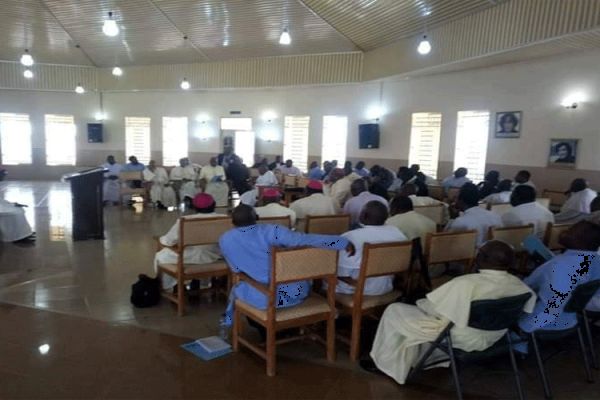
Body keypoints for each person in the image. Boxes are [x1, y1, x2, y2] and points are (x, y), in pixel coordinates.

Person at [367, 241, 536, 385]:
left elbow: (436, 309)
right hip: (495, 337)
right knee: (429, 317)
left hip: (459, 337)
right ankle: (425, 360)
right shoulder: (520, 286)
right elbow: (527, 309)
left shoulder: (465, 283)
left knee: (395, 310)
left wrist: (421, 303)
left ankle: (386, 365)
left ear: (481, 258)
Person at [220, 204, 355, 324]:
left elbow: (236, 270)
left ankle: (265, 328)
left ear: (232, 222)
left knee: (239, 291)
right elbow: (304, 240)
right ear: (256, 217)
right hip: (294, 292)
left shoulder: (225, 239)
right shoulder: (272, 231)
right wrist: (340, 242)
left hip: (258, 297)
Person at [519, 221, 600, 333]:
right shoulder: (597, 260)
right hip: (570, 320)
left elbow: (525, 287)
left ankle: (520, 346)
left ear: (580, 240)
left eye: (570, 231)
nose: (563, 232)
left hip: (539, 323)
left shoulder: (558, 264)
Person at [334, 201, 407, 295]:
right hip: (386, 286)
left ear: (364, 215)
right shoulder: (398, 233)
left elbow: (341, 272)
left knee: (323, 271)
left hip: (355, 288)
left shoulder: (351, 237)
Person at [154, 193, 224, 290]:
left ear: (195, 207)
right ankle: (203, 283)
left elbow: (168, 242)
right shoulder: (224, 218)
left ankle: (172, 287)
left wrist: (160, 239)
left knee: (161, 256)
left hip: (192, 257)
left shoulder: (185, 220)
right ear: (214, 205)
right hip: (216, 256)